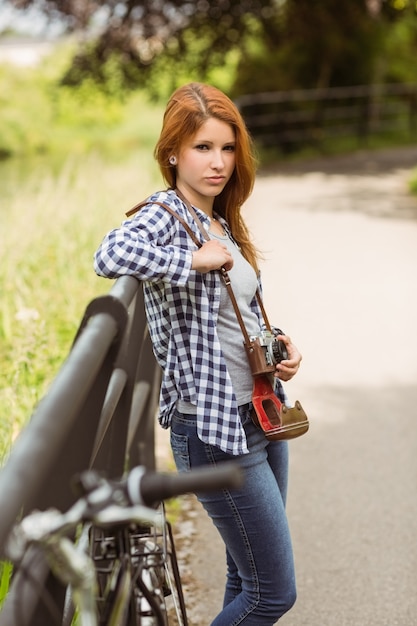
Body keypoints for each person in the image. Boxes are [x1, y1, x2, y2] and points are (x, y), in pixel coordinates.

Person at [94, 82, 302, 625]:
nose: (219, 162)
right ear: (173, 152)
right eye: (203, 148)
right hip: (213, 429)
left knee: (246, 577)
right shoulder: (166, 212)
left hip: (260, 408)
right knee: (273, 594)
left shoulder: (221, 217)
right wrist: (193, 263)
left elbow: (238, 311)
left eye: (227, 148)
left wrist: (277, 343)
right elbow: (109, 253)